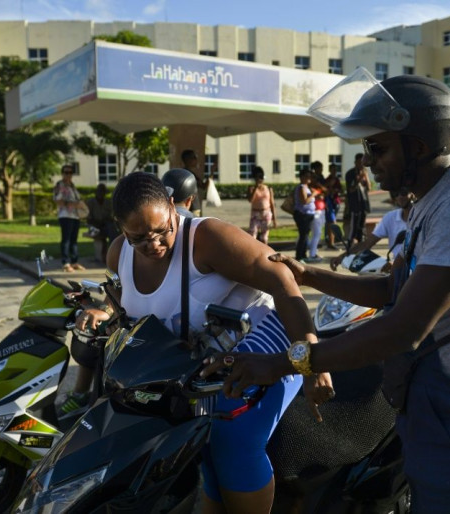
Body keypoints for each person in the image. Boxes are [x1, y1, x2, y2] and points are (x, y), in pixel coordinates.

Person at [202, 73, 450, 513]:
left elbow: (403, 328)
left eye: (378, 148)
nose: (370, 161)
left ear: (418, 146)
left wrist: (283, 363)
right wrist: (313, 275)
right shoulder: (432, 201)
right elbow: (394, 288)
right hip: (433, 392)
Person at [76, 172, 333, 514]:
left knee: (227, 428)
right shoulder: (118, 254)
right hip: (202, 353)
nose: (152, 244)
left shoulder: (206, 238)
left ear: (172, 207)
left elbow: (283, 280)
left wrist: (311, 360)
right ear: (120, 228)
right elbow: (127, 300)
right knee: (191, 440)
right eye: (138, 237)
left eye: (162, 230)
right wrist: (104, 311)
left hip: (266, 332)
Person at [329, 188, 413, 272]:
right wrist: (343, 256)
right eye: (395, 194)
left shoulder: (422, 217)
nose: (400, 197)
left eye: (404, 193)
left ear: (413, 194)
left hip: (417, 267)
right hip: (396, 268)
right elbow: (368, 243)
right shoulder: (390, 218)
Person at [53, 164, 86, 272]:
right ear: (62, 173)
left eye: (70, 172)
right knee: (66, 239)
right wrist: (71, 203)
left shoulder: (72, 185)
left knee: (74, 240)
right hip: (65, 215)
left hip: (75, 216)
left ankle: (74, 261)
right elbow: (56, 200)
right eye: (66, 172)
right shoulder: (60, 185)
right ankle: (66, 262)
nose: (68, 175)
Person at [85, 183, 118, 264]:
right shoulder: (90, 202)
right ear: (96, 192)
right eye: (99, 191)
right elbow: (88, 218)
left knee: (111, 229)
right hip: (93, 226)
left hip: (105, 225)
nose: (101, 194)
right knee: (99, 233)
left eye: (103, 192)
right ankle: (104, 256)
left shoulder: (107, 202)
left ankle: (113, 252)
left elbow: (111, 216)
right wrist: (97, 222)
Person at [344, 153, 371, 248]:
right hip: (354, 204)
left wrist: (366, 177)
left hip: (363, 204)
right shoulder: (350, 173)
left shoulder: (364, 172)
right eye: (359, 162)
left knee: (361, 227)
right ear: (355, 162)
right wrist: (358, 179)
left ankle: (360, 246)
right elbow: (350, 189)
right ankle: (349, 246)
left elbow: (369, 188)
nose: (361, 165)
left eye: (363, 163)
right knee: (354, 227)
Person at [246, 166, 276, 245]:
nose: (259, 180)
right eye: (257, 178)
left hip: (266, 213)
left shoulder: (268, 188)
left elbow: (272, 203)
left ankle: (264, 254)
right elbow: (250, 200)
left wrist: (274, 219)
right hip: (255, 214)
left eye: (261, 178)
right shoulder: (251, 188)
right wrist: (255, 188)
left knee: (264, 237)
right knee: (252, 235)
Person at [293, 168, 316, 262]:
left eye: (310, 176)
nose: (309, 178)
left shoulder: (306, 187)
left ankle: (303, 254)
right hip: (302, 215)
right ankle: (299, 256)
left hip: (308, 214)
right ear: (302, 177)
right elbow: (304, 201)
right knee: (303, 235)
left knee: (306, 235)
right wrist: (313, 194)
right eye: (307, 176)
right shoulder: (302, 187)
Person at [307, 164, 327, 263]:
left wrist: (319, 185)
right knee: (316, 233)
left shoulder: (317, 187)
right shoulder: (309, 188)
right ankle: (312, 254)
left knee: (318, 233)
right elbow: (319, 197)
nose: (316, 180)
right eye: (314, 178)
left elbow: (325, 192)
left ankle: (314, 251)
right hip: (315, 212)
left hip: (321, 210)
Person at [182, 149, 209, 217]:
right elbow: (203, 186)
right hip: (193, 206)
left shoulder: (183, 173)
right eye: (194, 157)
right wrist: (211, 172)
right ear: (188, 160)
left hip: (186, 206)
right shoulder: (190, 175)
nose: (196, 160)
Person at [324, 164, 343, 249]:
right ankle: (331, 242)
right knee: (331, 222)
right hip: (329, 203)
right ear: (330, 170)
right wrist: (330, 187)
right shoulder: (327, 179)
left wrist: (336, 190)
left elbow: (341, 189)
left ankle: (331, 241)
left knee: (330, 222)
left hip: (335, 202)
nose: (334, 171)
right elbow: (326, 190)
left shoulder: (337, 179)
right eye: (333, 170)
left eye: (336, 170)